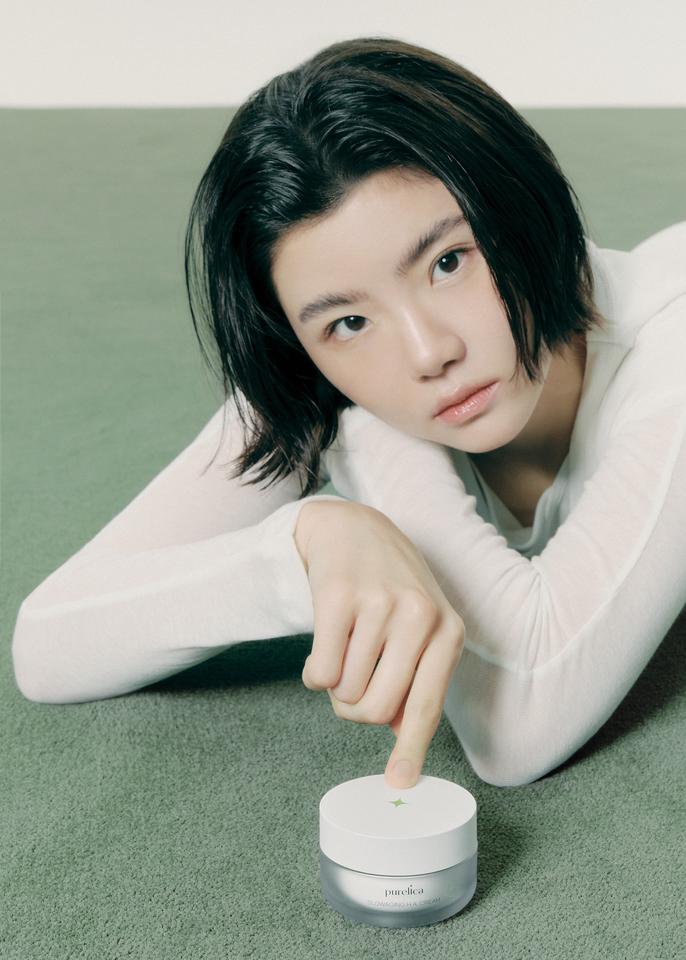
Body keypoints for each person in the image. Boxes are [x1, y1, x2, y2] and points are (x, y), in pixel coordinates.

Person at [11, 37, 686, 790]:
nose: (429, 352)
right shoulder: (334, 372)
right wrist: (312, 542)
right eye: (350, 321)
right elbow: (48, 644)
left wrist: (371, 446)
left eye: (448, 262)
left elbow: (518, 722)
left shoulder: (672, 347)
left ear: (518, 205)